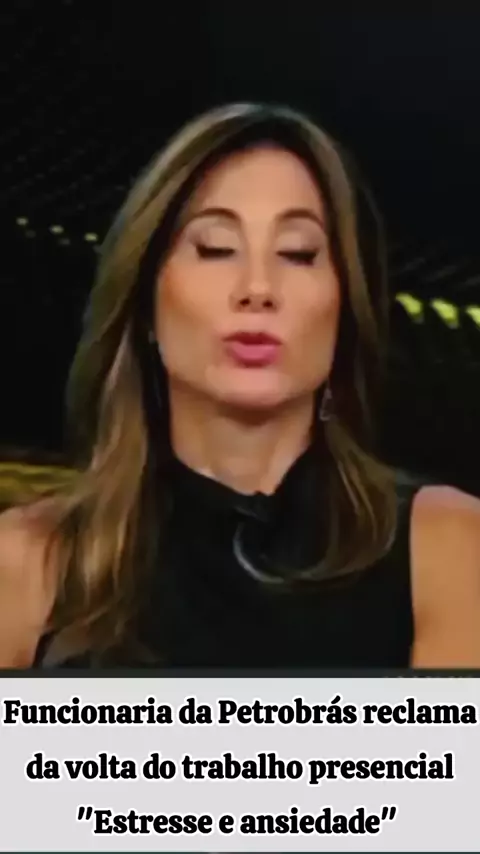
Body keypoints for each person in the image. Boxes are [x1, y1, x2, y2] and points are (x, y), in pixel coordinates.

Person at [1, 102, 479, 669]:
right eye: (216, 248)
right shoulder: (26, 563)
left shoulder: (449, 549)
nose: (258, 288)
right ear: (146, 301)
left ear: (345, 306)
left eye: (298, 253)